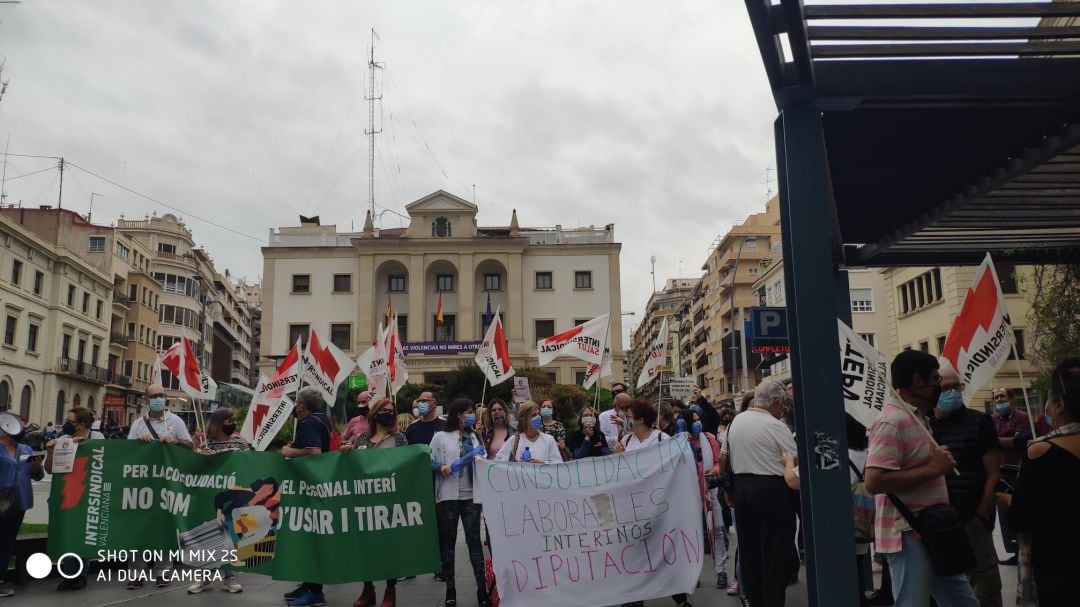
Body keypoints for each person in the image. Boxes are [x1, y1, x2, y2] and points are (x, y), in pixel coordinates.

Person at [864, 350, 978, 607]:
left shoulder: (916, 418)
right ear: (917, 381)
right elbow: (874, 481)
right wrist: (934, 469)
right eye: (935, 379)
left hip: (933, 531)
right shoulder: (892, 421)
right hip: (908, 533)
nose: (939, 387)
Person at [997, 357, 1080, 607]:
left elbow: (1022, 517)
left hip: (1058, 564)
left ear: (1059, 405)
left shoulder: (1040, 452)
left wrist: (1005, 498)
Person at [929, 361, 1003, 607]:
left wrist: (981, 517)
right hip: (938, 523)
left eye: (956, 386)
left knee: (985, 585)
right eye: (945, 387)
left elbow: (994, 474)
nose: (952, 392)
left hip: (973, 521)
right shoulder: (925, 425)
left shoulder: (979, 422)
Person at [718, 380, 798, 607]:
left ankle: (754, 600)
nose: (782, 409)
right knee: (774, 556)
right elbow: (793, 460)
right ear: (773, 402)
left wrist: (728, 489)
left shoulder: (735, 422)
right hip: (772, 492)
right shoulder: (776, 426)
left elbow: (726, 458)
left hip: (742, 489)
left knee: (750, 553)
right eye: (781, 404)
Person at [616, 401, 692, 607]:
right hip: (635, 506)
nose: (627, 418)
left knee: (663, 551)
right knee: (636, 553)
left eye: (630, 415)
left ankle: (680, 597)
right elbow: (620, 471)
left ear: (640, 419)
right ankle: (635, 598)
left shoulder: (661, 438)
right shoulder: (626, 439)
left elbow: (676, 463)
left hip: (659, 505)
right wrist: (618, 457)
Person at [341, 398, 406, 607]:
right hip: (365, 502)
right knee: (364, 547)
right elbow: (353, 467)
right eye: (384, 410)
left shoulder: (399, 439)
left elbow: (406, 466)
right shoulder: (361, 439)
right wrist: (346, 454)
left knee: (389, 548)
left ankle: (390, 590)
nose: (388, 414)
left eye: (392, 411)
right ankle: (368, 589)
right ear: (375, 413)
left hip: (389, 503)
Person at [126, 385, 191, 589]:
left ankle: (163, 572)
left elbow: (190, 446)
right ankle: (136, 574)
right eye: (154, 396)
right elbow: (127, 451)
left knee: (165, 527)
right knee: (140, 528)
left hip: (167, 485)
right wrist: (138, 442)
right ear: (146, 399)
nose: (158, 399)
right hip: (143, 485)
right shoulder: (138, 424)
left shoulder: (176, 421)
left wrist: (177, 441)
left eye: (161, 395)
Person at [430, 399, 491, 607]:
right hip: (447, 497)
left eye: (472, 412)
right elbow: (428, 459)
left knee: (474, 543)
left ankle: (481, 590)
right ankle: (450, 589)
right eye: (468, 412)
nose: (472, 415)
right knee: (448, 545)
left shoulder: (475, 436)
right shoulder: (440, 437)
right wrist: (441, 466)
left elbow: (484, 457)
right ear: (458, 415)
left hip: (471, 497)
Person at [188, 407, 249, 594]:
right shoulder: (205, 442)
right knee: (208, 534)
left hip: (232, 496)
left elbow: (250, 462)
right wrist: (201, 456)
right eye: (229, 421)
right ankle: (204, 577)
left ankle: (230, 577)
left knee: (230, 535)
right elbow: (192, 465)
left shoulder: (240, 441)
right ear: (219, 422)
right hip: (209, 495)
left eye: (234, 420)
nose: (233, 424)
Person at [281, 388, 333, 607]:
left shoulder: (309, 422)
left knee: (312, 538)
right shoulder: (322, 419)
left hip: (312, 487)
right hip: (316, 485)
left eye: (296, 402)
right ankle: (308, 584)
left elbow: (314, 452)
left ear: (301, 405)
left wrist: (290, 452)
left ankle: (314, 591)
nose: (294, 406)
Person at [43, 406, 103, 591]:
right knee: (67, 533)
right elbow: (50, 469)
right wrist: (52, 452)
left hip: (89, 493)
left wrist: (85, 446)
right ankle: (69, 574)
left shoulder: (97, 438)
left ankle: (79, 574)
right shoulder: (62, 440)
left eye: (70, 422)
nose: (67, 424)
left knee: (83, 534)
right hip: (67, 494)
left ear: (82, 425)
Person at [0, 415, 43, 598]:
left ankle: (1, 579)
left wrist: (36, 467)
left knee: (7, 542)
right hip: (1, 500)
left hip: (19, 502)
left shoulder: (26, 449)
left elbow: (38, 476)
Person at [990, 387, 1028, 566]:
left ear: (1011, 399)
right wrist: (1007, 440)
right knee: (1004, 514)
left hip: (1019, 471)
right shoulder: (991, 420)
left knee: (1019, 509)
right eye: (996, 397)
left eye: (1002, 396)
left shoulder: (1023, 418)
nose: (999, 400)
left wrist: (997, 440)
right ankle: (1012, 551)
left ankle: (1024, 550)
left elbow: (1019, 442)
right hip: (1000, 471)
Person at [495, 402, 563, 463]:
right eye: (534, 415)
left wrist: (542, 463)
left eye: (538, 414)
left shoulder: (549, 440)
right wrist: (516, 466)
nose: (538, 417)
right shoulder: (515, 439)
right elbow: (498, 461)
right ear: (524, 420)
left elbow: (558, 464)